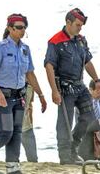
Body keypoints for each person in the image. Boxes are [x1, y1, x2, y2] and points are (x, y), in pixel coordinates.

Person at [0, 14, 47, 174]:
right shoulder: (0, 47)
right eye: (19, 27)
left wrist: (41, 95)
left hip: (19, 97)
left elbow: (30, 74)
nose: (22, 30)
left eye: (24, 27)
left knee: (17, 132)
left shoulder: (25, 49)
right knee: (6, 132)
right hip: (2, 97)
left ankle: (12, 166)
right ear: (9, 28)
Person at [44, 8, 99, 165]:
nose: (80, 28)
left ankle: (73, 147)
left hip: (80, 85)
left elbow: (87, 61)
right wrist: (54, 91)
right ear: (68, 22)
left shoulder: (81, 40)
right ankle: (65, 156)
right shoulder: (55, 41)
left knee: (90, 118)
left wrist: (96, 79)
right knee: (64, 123)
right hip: (64, 87)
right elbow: (49, 67)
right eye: (77, 25)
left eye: (81, 25)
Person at [78, 80, 100, 160]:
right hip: (87, 132)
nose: (99, 92)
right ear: (90, 90)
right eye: (97, 89)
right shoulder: (84, 103)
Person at [21, 83, 38, 162]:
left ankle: (33, 159)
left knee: (27, 125)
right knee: (25, 128)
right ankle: (32, 159)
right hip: (19, 86)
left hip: (28, 85)